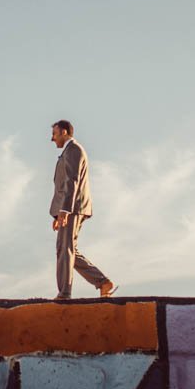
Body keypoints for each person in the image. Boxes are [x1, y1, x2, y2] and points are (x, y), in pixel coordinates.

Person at [49, 120, 116, 299]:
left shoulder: (74, 150)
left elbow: (72, 181)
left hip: (74, 208)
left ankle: (64, 294)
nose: (52, 138)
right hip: (70, 208)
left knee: (65, 249)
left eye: (54, 134)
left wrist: (65, 210)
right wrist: (58, 213)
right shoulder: (69, 151)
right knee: (66, 249)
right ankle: (102, 282)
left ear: (64, 132)